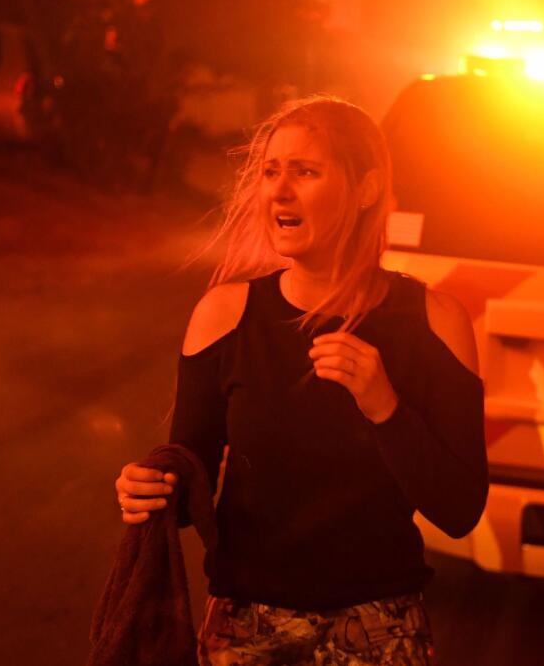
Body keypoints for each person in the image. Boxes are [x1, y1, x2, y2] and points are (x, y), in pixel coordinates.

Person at [112, 95, 487, 666]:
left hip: (382, 629)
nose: (278, 191)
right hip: (247, 629)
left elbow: (460, 511)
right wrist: (151, 486)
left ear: (365, 189)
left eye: (305, 172)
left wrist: (384, 406)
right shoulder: (225, 315)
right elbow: (191, 476)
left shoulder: (435, 322)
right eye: (269, 171)